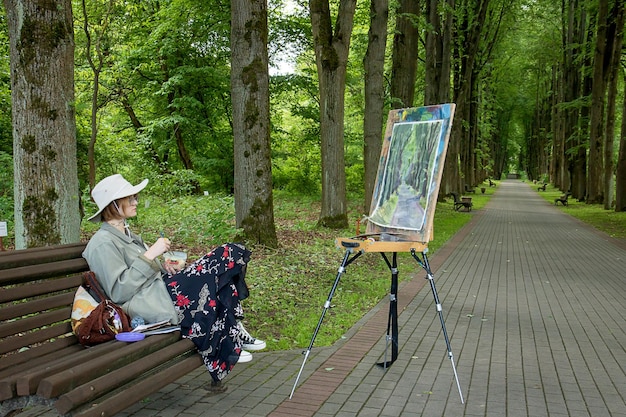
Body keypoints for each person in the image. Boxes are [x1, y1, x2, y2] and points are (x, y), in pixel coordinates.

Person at [82, 174, 265, 391]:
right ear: (113, 204)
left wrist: (163, 267)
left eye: (135, 197)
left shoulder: (127, 235)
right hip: (151, 303)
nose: (135, 202)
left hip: (163, 290)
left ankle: (232, 329)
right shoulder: (102, 243)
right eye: (129, 198)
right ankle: (231, 333)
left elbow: (143, 271)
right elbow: (119, 291)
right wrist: (150, 255)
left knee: (226, 261)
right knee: (225, 255)